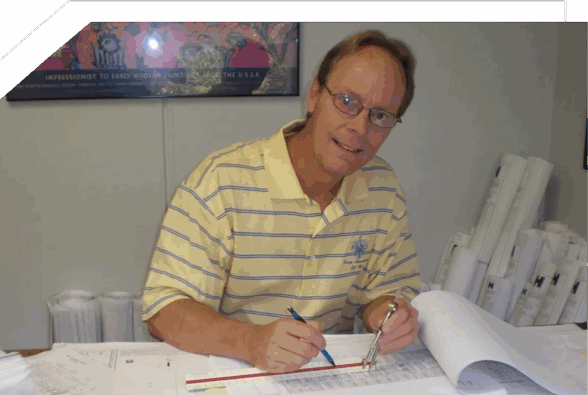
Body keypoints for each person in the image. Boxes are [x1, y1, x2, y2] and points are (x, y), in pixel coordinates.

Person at [143, 29, 420, 373]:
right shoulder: (221, 181)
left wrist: (385, 312)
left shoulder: (384, 188)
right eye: (348, 102)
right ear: (315, 95)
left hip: (327, 378)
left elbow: (388, 291)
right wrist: (251, 342)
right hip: (232, 372)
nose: (360, 128)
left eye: (380, 116)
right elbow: (164, 310)